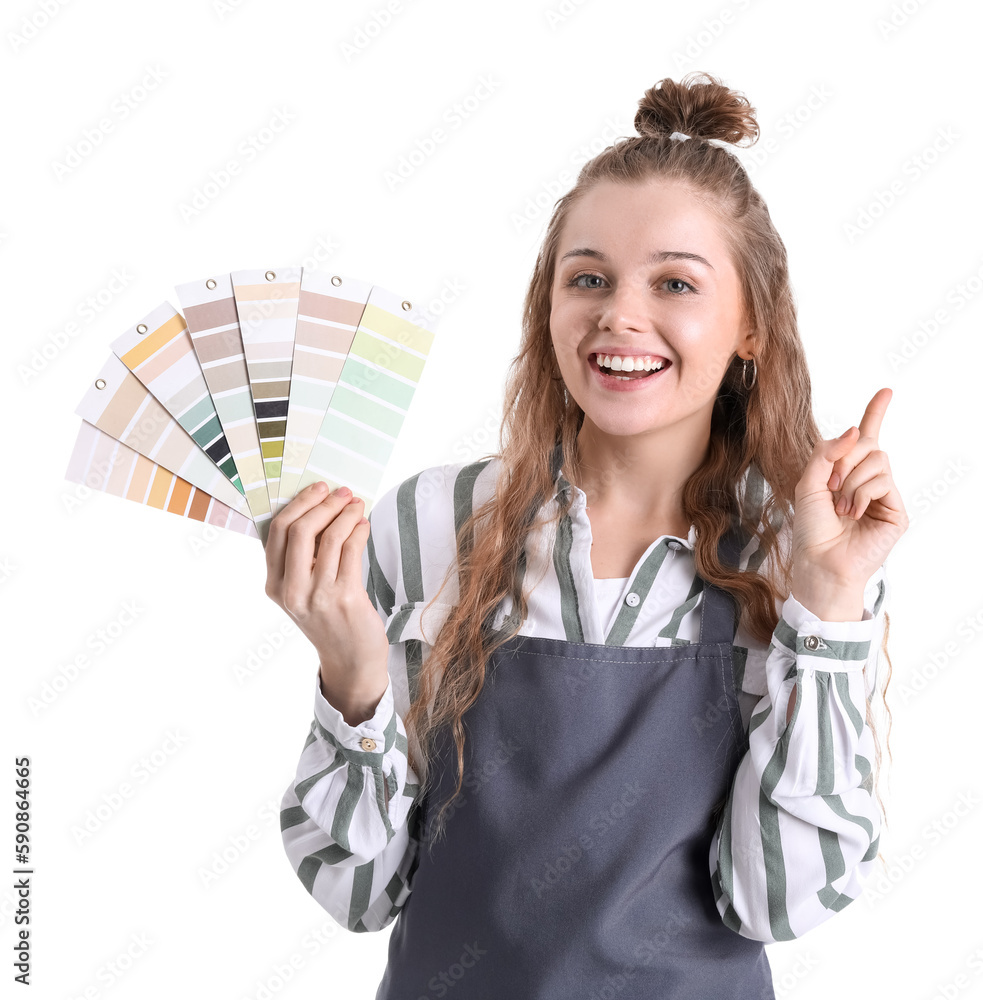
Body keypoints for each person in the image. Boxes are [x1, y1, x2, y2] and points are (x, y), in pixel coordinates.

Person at [268, 71, 908, 999]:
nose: (618, 314)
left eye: (675, 282)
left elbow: (778, 903)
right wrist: (352, 682)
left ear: (751, 329)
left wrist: (828, 603)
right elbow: (360, 892)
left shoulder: (794, 551)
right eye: (589, 279)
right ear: (549, 307)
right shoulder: (429, 523)